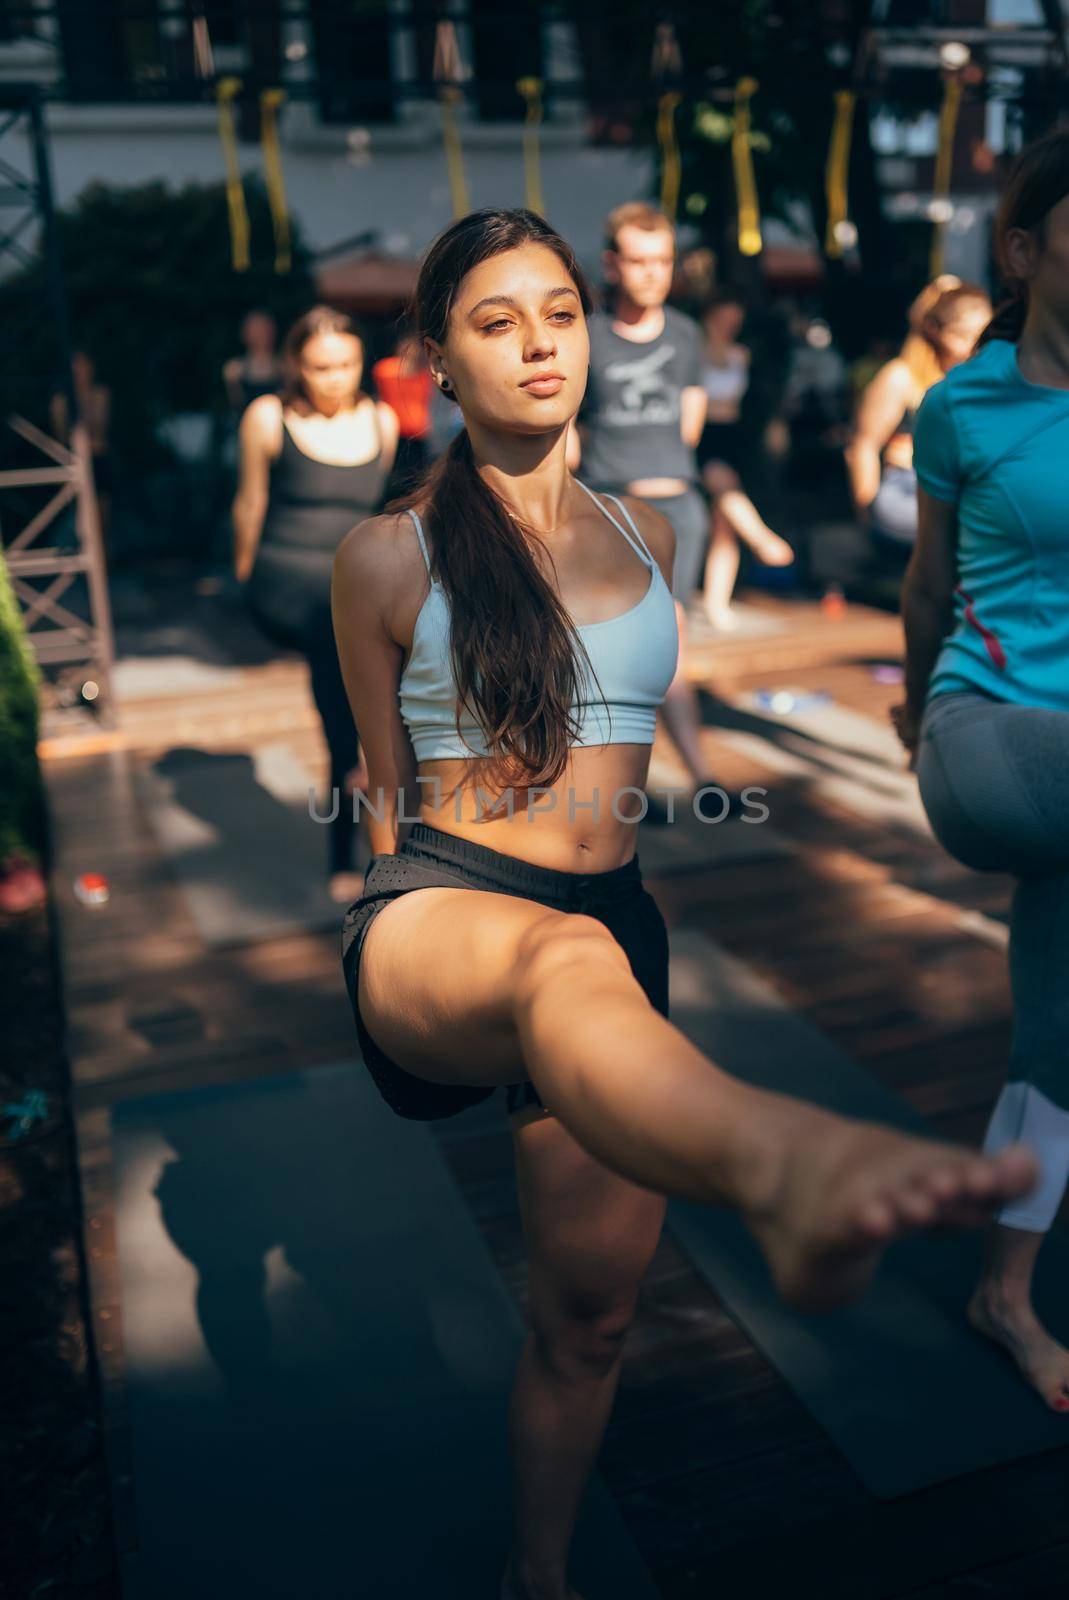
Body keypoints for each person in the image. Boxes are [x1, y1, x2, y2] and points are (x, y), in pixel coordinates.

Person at [331, 207, 1037, 1600]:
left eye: (560, 312)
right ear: (436, 359)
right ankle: (783, 1163)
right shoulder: (387, 555)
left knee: (590, 1321)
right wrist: (370, 933)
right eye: (495, 321)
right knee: (551, 967)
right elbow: (376, 783)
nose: (539, 342)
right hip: (446, 912)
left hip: (611, 924)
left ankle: (541, 1575)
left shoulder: (647, 523)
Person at [894, 128, 1069, 1415]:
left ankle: (1004, 1292)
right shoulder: (962, 404)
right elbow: (925, 579)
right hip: (989, 733)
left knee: (1058, 1026)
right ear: (1024, 251)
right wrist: (909, 719)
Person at [566, 201, 732, 816]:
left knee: (673, 649)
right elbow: (572, 428)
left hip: (678, 510)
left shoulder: (687, 334)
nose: (652, 273)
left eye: (662, 260)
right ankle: (630, 786)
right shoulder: (588, 335)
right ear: (612, 265)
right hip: (611, 510)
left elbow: (689, 428)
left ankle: (697, 775)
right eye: (638, 261)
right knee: (616, 652)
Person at [232, 306, 398, 902]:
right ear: (296, 366)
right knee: (344, 712)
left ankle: (382, 829)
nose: (334, 378)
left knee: (374, 699)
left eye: (347, 364)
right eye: (320, 366)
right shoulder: (267, 417)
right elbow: (249, 502)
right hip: (288, 585)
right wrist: (242, 576)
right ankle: (343, 857)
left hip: (353, 585)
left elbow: (379, 510)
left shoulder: (382, 421)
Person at [845, 276, 991, 574]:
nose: (976, 346)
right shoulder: (901, 377)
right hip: (906, 492)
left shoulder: (978, 382)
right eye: (966, 335)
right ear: (936, 330)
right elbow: (862, 446)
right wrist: (866, 513)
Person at [696, 288, 794, 631]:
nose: (730, 326)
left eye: (735, 322)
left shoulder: (741, 355)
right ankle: (763, 539)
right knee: (725, 488)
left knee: (724, 524)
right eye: (725, 320)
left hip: (734, 436)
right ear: (710, 317)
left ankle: (716, 602)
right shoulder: (693, 352)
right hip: (703, 435)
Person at [50, 349, 114, 559]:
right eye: (76, 367)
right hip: (74, 461)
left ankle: (102, 560)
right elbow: (62, 436)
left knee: (102, 513)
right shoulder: (61, 400)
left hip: (98, 459)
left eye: (84, 365)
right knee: (80, 516)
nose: (80, 371)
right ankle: (85, 558)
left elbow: (99, 427)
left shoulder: (100, 393)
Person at [371, 329, 434, 497]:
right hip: (395, 432)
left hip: (419, 434)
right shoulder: (387, 370)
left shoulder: (425, 374)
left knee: (418, 476)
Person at [223, 308, 285, 416]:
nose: (259, 334)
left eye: (263, 328)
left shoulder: (285, 367)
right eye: (254, 329)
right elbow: (235, 406)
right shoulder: (234, 369)